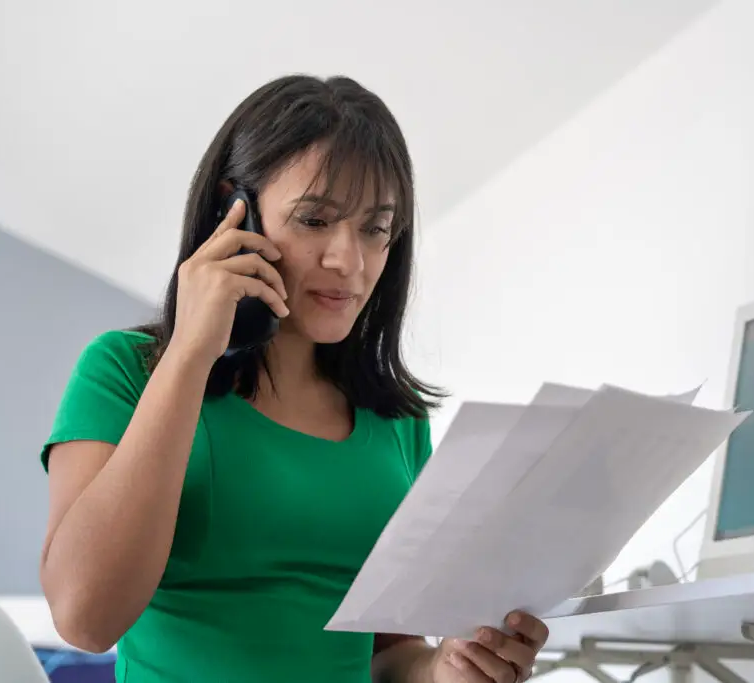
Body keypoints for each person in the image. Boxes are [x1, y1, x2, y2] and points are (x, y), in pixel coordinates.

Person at [38, 74, 549, 683]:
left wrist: (445, 669)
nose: (350, 261)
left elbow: (388, 651)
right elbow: (85, 619)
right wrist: (191, 353)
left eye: (375, 228)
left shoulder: (396, 417)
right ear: (236, 210)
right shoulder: (126, 371)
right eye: (315, 220)